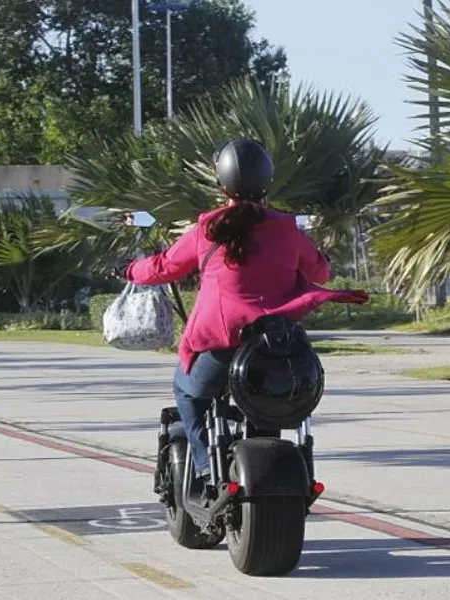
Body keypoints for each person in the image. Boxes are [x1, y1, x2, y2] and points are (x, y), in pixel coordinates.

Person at [120, 138, 368, 488]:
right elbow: (321, 273)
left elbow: (164, 268)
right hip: (276, 348)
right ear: (268, 182)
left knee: (187, 392)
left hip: (223, 345)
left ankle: (206, 465)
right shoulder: (288, 229)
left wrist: (130, 269)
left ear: (221, 185)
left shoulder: (208, 229)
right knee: (274, 407)